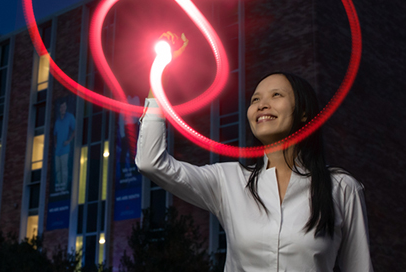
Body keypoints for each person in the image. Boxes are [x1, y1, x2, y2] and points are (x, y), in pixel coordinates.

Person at [135, 34, 373, 271]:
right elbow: (150, 163)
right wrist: (160, 72)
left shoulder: (342, 188)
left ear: (303, 113)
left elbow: (360, 267)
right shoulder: (228, 181)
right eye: (255, 99)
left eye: (276, 95)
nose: (261, 105)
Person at [54, 101, 76, 191]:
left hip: (65, 149)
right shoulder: (57, 121)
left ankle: (64, 187)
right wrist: (55, 144)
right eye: (61, 107)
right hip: (57, 150)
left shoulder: (70, 117)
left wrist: (69, 140)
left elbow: (75, 129)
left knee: (64, 169)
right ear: (59, 109)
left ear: (66, 107)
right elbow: (54, 133)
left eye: (64, 107)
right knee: (58, 169)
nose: (63, 109)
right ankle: (59, 186)